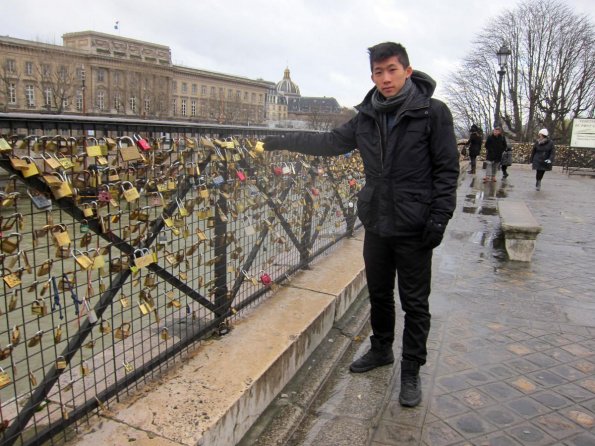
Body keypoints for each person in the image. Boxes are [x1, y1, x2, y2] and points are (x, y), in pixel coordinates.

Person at [263, 42, 459, 407]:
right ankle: (382, 349)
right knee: (380, 293)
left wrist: (439, 217)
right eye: (379, 72)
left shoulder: (433, 113)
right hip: (378, 221)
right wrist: (278, 141)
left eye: (392, 70)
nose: (385, 78)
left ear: (407, 71)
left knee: (414, 302)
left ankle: (412, 368)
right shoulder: (365, 116)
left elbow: (447, 170)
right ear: (372, 76)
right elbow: (329, 143)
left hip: (416, 224)